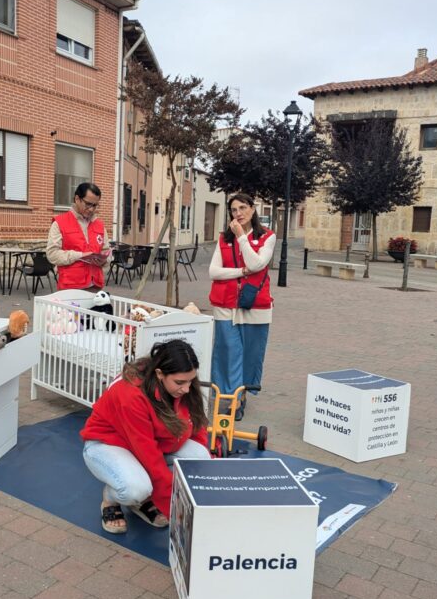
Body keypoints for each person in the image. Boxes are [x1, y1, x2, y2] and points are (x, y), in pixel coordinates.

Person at [80, 339, 211, 534]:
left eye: (191, 381)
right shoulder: (131, 395)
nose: (186, 388)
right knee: (136, 489)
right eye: (180, 383)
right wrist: (177, 514)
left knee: (200, 460)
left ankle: (142, 499)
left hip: (146, 442)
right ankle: (111, 498)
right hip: (106, 443)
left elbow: (196, 424)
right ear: (159, 374)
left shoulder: (179, 383)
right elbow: (148, 454)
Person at [208, 193, 276, 421]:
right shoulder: (223, 239)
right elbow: (213, 271)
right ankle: (230, 398)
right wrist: (241, 272)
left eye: (243, 208)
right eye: (234, 210)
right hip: (225, 305)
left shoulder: (268, 237)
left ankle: (242, 394)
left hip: (255, 305)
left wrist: (242, 238)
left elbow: (257, 263)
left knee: (250, 354)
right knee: (227, 352)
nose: (238, 213)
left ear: (252, 209)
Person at [46, 182, 110, 291]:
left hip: (95, 286)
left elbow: (106, 251)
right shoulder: (60, 223)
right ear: (77, 199)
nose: (91, 209)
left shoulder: (100, 225)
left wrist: (104, 260)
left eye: (95, 205)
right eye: (88, 204)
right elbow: (52, 254)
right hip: (71, 287)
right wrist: (80, 255)